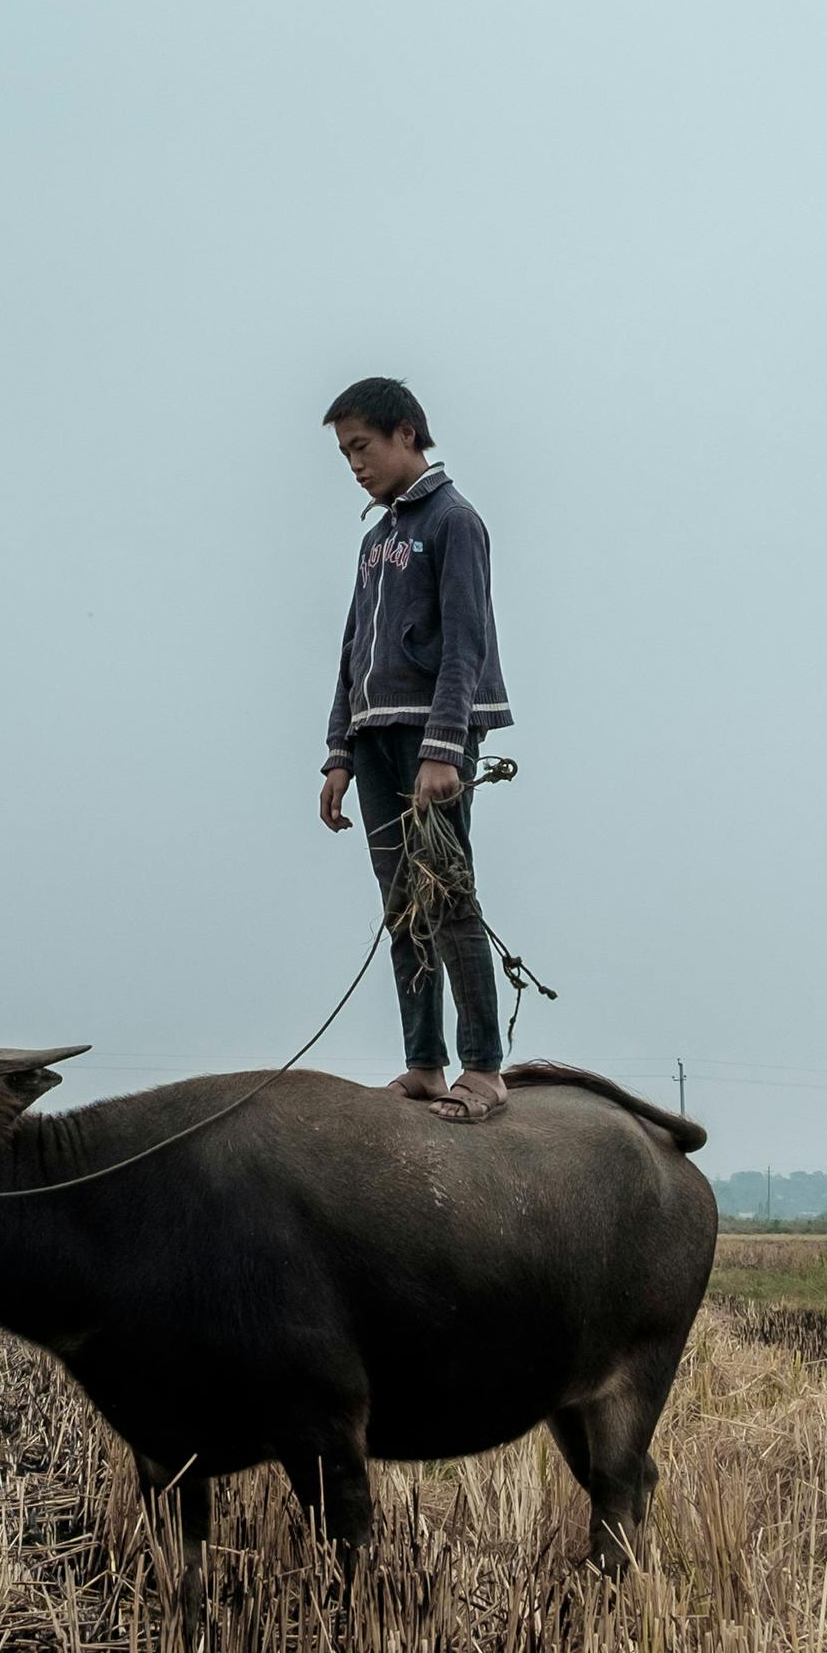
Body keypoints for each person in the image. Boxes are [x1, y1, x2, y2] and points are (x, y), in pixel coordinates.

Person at [316, 376, 515, 1123]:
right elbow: (349, 652)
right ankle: (423, 1063)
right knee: (402, 905)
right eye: (345, 454)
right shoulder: (374, 542)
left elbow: (467, 642)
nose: (355, 465)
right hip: (373, 739)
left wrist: (445, 748)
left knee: (448, 897)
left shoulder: (454, 522)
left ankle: (485, 1068)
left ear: (406, 433)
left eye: (362, 447)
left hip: (432, 736)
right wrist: (338, 753)